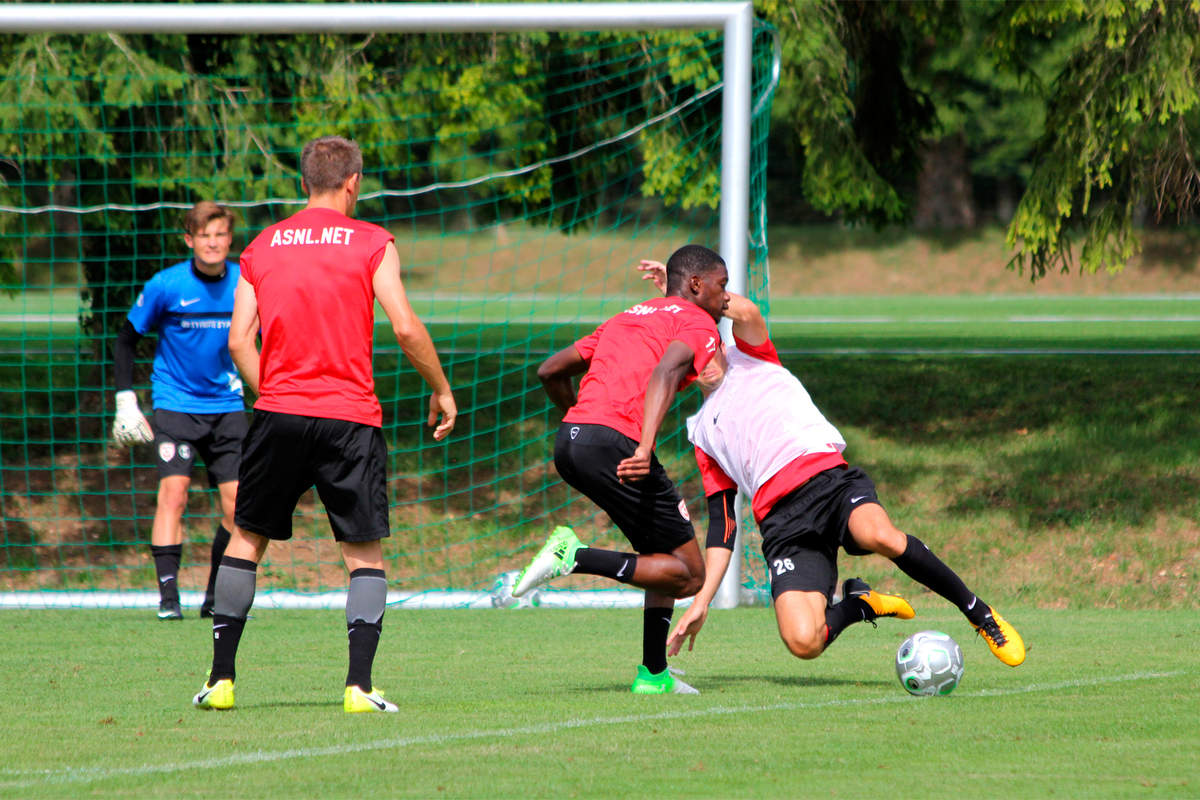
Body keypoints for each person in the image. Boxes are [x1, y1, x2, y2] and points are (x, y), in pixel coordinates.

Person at [629, 260, 1027, 670]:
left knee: (880, 536)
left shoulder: (754, 355)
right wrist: (702, 602)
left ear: (711, 337)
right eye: (688, 356)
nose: (701, 358)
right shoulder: (702, 434)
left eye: (702, 343)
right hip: (783, 524)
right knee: (803, 641)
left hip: (828, 483)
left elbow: (746, 312)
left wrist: (683, 298)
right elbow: (723, 525)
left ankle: (980, 614)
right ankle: (859, 604)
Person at [191, 136, 457, 713]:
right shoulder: (373, 242)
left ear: (303, 182)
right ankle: (359, 688)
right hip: (350, 419)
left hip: (278, 413)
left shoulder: (262, 246)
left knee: (246, 538)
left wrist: (281, 395)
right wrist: (440, 389)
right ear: (353, 182)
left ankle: (221, 681)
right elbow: (406, 327)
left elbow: (239, 340)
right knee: (363, 554)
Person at [511, 245, 729, 696]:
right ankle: (574, 556)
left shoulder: (625, 317)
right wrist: (645, 445)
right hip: (620, 445)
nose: (725, 298)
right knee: (690, 573)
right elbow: (667, 371)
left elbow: (549, 370)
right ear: (695, 285)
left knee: (661, 557)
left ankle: (653, 675)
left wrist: (581, 420)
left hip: (571, 441)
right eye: (721, 286)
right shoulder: (697, 321)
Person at [111, 201, 245, 621]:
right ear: (190, 240)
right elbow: (126, 340)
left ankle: (214, 598)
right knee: (174, 494)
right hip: (175, 406)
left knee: (238, 508)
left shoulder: (247, 283)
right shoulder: (166, 285)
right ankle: (169, 599)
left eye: (220, 234)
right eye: (204, 235)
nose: (212, 242)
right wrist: (124, 399)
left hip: (228, 407)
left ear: (229, 239)